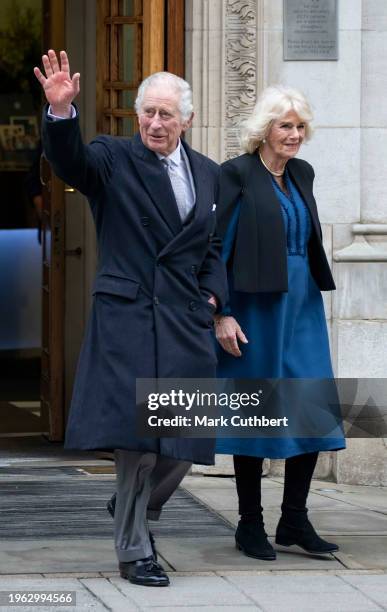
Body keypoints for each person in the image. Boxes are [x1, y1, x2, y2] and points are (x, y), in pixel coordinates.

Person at [34, 50, 227, 586]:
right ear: (136, 115)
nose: (156, 123)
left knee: (185, 439)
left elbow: (212, 250)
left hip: (185, 322)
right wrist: (60, 114)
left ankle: (128, 507)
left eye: (167, 114)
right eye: (148, 113)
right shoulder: (112, 158)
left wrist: (213, 300)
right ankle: (133, 549)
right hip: (131, 316)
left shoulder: (209, 174)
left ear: (187, 120)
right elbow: (71, 163)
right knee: (139, 443)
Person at [214, 85, 345, 561]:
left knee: (310, 403)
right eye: (285, 125)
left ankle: (294, 519)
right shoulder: (236, 174)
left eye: (300, 126)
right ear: (263, 129)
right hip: (256, 306)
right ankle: (250, 524)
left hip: (302, 303)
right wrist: (220, 312)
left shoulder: (302, 173)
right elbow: (218, 246)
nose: (294, 135)